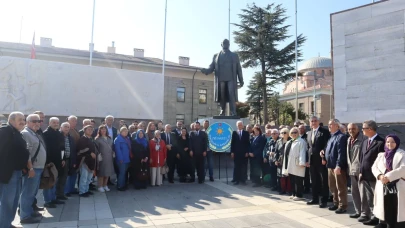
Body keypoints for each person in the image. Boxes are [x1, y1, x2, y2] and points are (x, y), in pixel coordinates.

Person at [0, 112, 30, 228]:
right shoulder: (5, 132)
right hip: (8, 173)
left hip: (17, 172)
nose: (22, 121)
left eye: (23, 119)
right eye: (19, 119)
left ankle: (8, 223)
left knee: (14, 200)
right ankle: (4, 225)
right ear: (11, 120)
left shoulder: (17, 133)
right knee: (7, 201)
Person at [201, 39, 244, 116]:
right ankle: (222, 111)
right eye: (224, 43)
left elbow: (239, 69)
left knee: (232, 95)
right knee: (222, 95)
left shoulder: (234, 56)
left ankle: (233, 112)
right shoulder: (216, 56)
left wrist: (241, 80)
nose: (225, 44)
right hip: (221, 79)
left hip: (231, 78)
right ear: (221, 44)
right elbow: (211, 67)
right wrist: (206, 71)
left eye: (227, 43)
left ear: (229, 44)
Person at [372, 135, 405, 228]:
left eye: (392, 142)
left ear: (397, 143)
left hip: (398, 185)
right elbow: (374, 167)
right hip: (383, 185)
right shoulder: (381, 155)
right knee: (384, 205)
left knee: (396, 207)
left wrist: (387, 177)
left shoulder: (402, 154)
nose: (390, 144)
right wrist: (380, 176)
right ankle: (384, 223)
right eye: (388, 142)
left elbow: (403, 168)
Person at [19, 114, 47, 224]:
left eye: (39, 121)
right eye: (34, 121)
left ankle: (29, 211)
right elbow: (27, 154)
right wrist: (30, 168)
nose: (37, 123)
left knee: (32, 192)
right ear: (28, 122)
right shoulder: (26, 133)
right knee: (27, 192)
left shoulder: (33, 133)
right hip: (33, 168)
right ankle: (25, 216)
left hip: (38, 167)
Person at [359, 120, 385, 226]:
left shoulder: (381, 142)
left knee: (378, 198)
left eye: (363, 128)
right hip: (365, 175)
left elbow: (382, 161)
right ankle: (374, 216)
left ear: (370, 129)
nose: (362, 130)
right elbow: (361, 157)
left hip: (375, 176)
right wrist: (361, 171)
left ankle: (381, 219)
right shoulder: (365, 141)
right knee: (370, 198)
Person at [322, 119, 348, 214]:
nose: (329, 126)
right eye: (328, 124)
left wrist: (339, 165)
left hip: (337, 167)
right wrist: (323, 153)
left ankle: (343, 206)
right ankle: (336, 203)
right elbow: (327, 148)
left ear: (337, 126)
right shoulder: (331, 137)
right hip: (330, 165)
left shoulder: (341, 137)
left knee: (340, 187)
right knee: (332, 187)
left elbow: (341, 153)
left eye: (331, 124)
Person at [306, 116, 331, 208]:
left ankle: (324, 200)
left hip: (321, 160)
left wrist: (324, 158)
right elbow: (309, 148)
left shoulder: (324, 132)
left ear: (319, 122)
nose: (313, 122)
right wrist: (307, 160)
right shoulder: (309, 133)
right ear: (310, 123)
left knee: (323, 181)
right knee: (314, 180)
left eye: (315, 121)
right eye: (312, 121)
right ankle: (314, 198)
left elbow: (326, 145)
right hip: (312, 161)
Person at [42, 117, 65, 208]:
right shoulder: (46, 134)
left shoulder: (59, 133)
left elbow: (62, 148)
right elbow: (45, 149)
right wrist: (47, 161)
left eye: (57, 122)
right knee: (49, 181)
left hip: (58, 161)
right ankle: (47, 200)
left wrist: (63, 159)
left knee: (55, 180)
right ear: (49, 123)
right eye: (54, 122)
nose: (56, 124)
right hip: (50, 162)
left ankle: (53, 198)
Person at [346, 123, 367, 219]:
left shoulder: (364, 139)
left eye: (353, 129)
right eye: (349, 129)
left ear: (358, 129)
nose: (351, 130)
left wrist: (362, 170)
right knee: (354, 193)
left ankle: (365, 213)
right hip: (351, 170)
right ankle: (358, 211)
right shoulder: (349, 139)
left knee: (363, 194)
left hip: (360, 171)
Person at [282, 127, 307, 201]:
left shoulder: (301, 141)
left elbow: (302, 152)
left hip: (298, 163)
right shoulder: (289, 142)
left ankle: (299, 195)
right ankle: (294, 193)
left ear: (298, 133)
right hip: (290, 163)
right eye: (292, 133)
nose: (294, 134)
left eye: (295, 132)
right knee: (292, 179)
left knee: (298, 180)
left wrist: (302, 162)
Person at [76, 125, 97, 197]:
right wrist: (90, 153)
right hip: (85, 161)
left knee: (89, 178)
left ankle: (86, 190)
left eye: (91, 129)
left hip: (92, 161)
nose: (90, 131)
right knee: (84, 177)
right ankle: (82, 191)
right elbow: (80, 150)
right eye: (89, 129)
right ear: (84, 130)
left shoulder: (91, 139)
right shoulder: (82, 139)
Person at [94, 125, 115, 192]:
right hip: (102, 158)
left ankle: (105, 185)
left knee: (108, 172)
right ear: (99, 131)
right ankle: (100, 186)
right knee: (101, 172)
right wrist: (98, 155)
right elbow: (95, 149)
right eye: (102, 129)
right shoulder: (97, 139)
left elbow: (112, 147)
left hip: (109, 158)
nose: (103, 130)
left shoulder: (109, 138)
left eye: (104, 129)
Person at [230, 121, 250, 185]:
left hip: (244, 153)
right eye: (238, 125)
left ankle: (243, 180)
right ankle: (236, 179)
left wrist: (247, 152)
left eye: (241, 125)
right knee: (237, 167)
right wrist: (232, 152)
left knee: (244, 167)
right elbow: (232, 143)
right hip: (236, 153)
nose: (240, 126)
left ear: (243, 126)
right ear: (237, 126)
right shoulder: (234, 133)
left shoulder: (246, 133)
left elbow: (248, 143)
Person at [275, 128, 292, 195]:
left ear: (288, 133)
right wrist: (275, 160)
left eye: (285, 132)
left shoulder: (291, 141)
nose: (283, 134)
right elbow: (276, 152)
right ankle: (283, 189)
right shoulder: (278, 141)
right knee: (281, 176)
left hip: (288, 160)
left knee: (288, 175)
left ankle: (289, 190)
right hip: (280, 160)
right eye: (282, 133)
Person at [298, 124, 311, 194]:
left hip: (305, 157)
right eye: (299, 128)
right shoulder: (297, 137)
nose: (300, 130)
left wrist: (307, 160)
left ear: (304, 129)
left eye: (302, 128)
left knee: (306, 174)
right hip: (298, 157)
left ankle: (307, 187)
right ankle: (300, 187)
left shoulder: (307, 137)